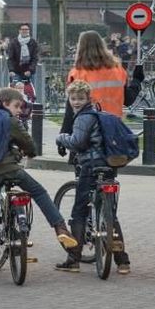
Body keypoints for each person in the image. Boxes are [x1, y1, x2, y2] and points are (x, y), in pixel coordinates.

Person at [0, 87, 78, 283]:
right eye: (16, 106)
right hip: (11, 170)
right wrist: (28, 151)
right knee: (39, 192)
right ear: (5, 103)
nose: (19, 111)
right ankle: (61, 228)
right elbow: (30, 144)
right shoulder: (9, 120)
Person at [55, 80, 130, 275]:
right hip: (108, 165)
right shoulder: (100, 115)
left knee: (79, 212)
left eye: (80, 98)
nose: (76, 102)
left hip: (90, 166)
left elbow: (78, 142)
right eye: (73, 98)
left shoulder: (83, 118)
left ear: (88, 98)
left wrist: (60, 137)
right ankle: (123, 262)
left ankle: (73, 260)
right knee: (109, 214)